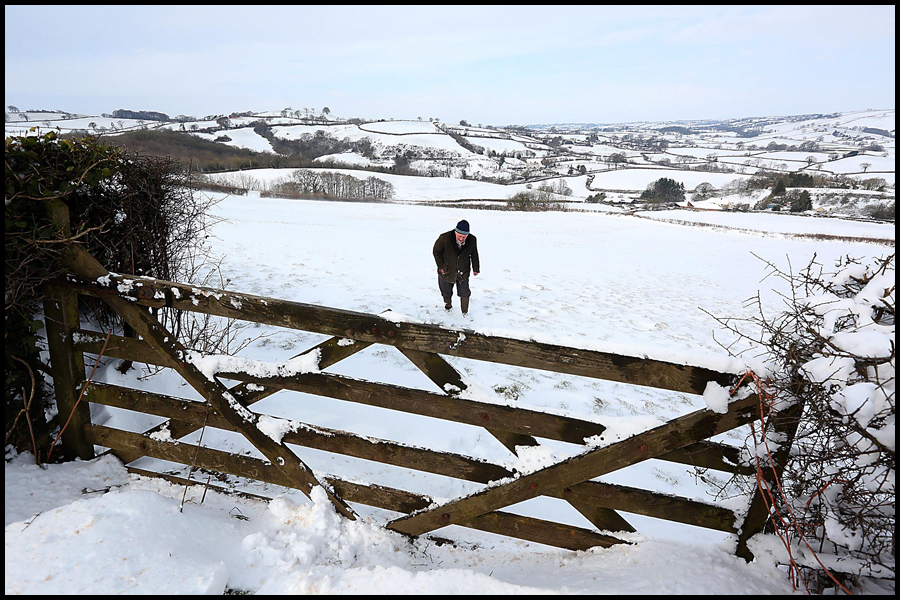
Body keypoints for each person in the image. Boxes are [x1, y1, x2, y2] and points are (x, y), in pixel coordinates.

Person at [433, 219, 480, 314]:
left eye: (464, 236)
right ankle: (448, 305)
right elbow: (436, 252)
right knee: (446, 291)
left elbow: (474, 254)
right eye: (460, 236)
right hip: (446, 270)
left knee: (465, 292)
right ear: (455, 232)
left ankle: (464, 312)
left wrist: (476, 268)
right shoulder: (444, 237)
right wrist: (441, 266)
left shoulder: (472, 240)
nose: (461, 238)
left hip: (463, 270)